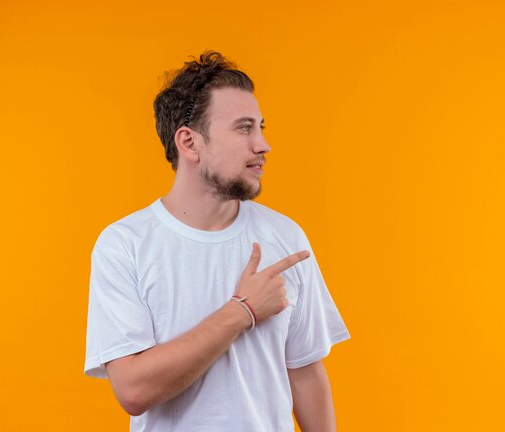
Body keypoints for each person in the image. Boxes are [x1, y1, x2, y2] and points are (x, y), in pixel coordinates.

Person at [84, 50, 350, 432]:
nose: (263, 145)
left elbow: (305, 372)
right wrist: (243, 310)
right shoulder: (124, 245)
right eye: (244, 128)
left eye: (261, 127)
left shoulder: (284, 237)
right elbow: (134, 389)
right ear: (190, 143)